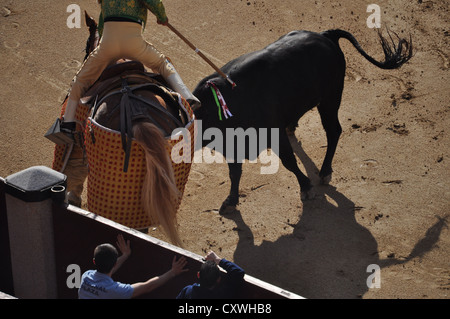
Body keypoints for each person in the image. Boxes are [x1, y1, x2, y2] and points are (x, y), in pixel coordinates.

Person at [58, 0, 201, 142]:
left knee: (81, 79)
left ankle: (68, 123)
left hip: (108, 44)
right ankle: (186, 96)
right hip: (134, 43)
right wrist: (162, 17)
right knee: (162, 63)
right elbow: (153, 2)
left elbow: (102, 24)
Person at [78, 234, 188, 299]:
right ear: (115, 264)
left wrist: (125, 256)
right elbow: (148, 286)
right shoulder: (114, 290)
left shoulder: (85, 277)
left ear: (94, 261)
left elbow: (105, 271)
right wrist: (172, 272)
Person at [176, 251, 245, 299]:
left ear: (198, 275)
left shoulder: (188, 291)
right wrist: (218, 260)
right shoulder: (223, 295)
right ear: (218, 279)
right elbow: (238, 272)